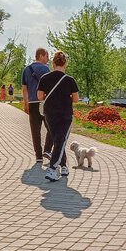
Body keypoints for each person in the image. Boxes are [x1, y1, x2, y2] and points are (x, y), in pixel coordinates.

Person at [37, 51, 79, 182]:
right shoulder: (70, 80)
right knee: (60, 140)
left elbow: (39, 97)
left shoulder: (44, 78)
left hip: (50, 113)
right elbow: (76, 99)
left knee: (57, 140)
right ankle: (53, 169)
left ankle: (64, 166)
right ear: (65, 64)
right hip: (66, 114)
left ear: (53, 63)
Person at [22, 48, 53, 164]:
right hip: (44, 102)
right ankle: (47, 149)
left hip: (32, 103)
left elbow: (24, 89)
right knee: (51, 128)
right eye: (46, 56)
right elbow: (49, 87)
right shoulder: (46, 69)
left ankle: (38, 156)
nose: (48, 59)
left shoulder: (26, 69)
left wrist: (26, 103)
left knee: (35, 131)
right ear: (40, 56)